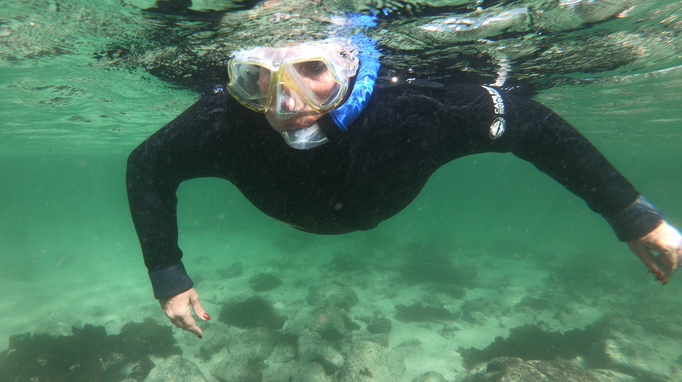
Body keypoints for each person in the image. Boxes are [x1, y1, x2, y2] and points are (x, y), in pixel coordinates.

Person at [126, 37, 682, 339]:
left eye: (312, 68)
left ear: (350, 61)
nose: (286, 103)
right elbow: (146, 168)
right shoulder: (223, 121)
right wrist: (166, 274)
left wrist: (632, 214)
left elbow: (530, 122)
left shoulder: (416, 109)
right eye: (258, 78)